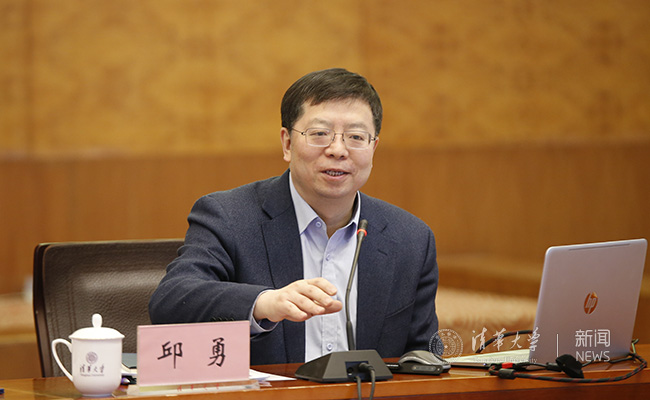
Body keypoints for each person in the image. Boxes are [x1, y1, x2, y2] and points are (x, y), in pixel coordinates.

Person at [149, 68, 439, 365]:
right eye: (320, 134)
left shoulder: (411, 239)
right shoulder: (229, 217)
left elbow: (424, 357)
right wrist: (264, 303)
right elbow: (171, 301)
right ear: (287, 143)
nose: (338, 150)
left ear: (373, 147)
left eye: (356, 137)